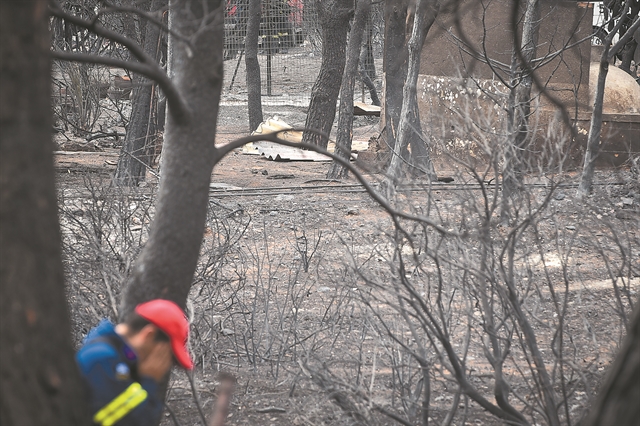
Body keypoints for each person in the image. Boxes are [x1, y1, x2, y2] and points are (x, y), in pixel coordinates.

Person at [76, 299, 193, 426]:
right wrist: (149, 381)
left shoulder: (116, 359)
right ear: (149, 335)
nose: (164, 365)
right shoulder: (103, 359)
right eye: (166, 355)